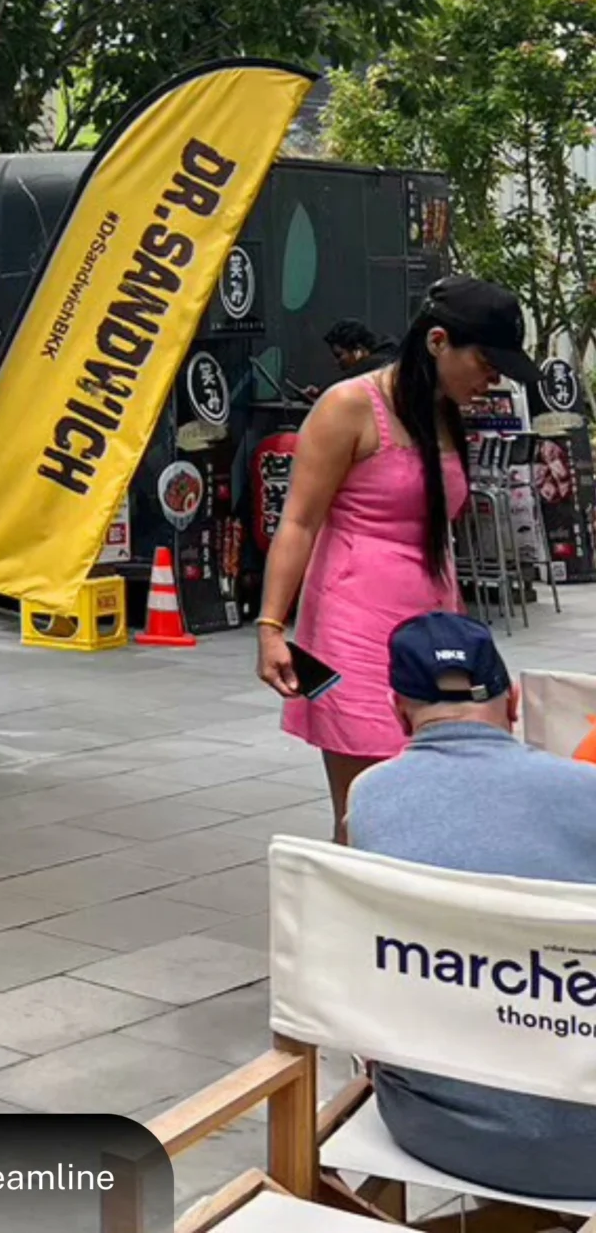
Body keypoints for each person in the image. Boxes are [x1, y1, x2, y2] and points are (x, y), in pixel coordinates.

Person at [256, 277, 533, 840]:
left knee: (435, 803)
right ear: (438, 341)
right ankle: (344, 896)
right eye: (486, 362)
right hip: (350, 629)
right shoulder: (349, 407)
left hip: (433, 630)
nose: (493, 380)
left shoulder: (443, 412)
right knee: (366, 811)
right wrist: (270, 627)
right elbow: (299, 522)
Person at [344, 611, 596, 1201]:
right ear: (513, 703)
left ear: (397, 711)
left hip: (433, 1130)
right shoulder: (586, 791)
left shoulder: (369, 797)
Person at [323, 318, 394, 382]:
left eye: (339, 355)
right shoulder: (388, 359)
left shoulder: (380, 366)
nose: (336, 362)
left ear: (358, 350)